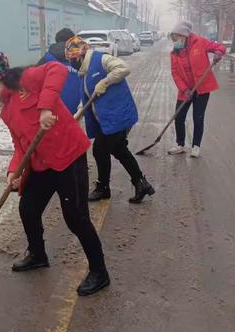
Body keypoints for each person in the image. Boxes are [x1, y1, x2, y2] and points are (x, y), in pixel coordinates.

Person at [0, 51, 110, 296]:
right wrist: (13, 171)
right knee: (28, 207)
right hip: (43, 163)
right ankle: (37, 254)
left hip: (68, 155)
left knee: (76, 217)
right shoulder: (6, 112)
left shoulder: (27, 79)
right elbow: (20, 146)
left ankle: (99, 271)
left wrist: (45, 107)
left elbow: (56, 69)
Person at [64, 36, 155, 204]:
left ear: (81, 54)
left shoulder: (102, 59)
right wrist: (77, 115)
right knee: (119, 150)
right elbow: (85, 100)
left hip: (118, 115)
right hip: (106, 119)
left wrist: (105, 82)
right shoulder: (83, 73)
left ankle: (103, 188)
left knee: (100, 150)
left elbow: (123, 68)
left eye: (74, 59)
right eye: (70, 59)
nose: (72, 63)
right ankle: (141, 183)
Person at [168, 21, 226, 158]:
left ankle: (196, 146)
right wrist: (185, 89)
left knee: (198, 118)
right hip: (186, 91)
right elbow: (175, 73)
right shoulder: (174, 53)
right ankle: (180, 145)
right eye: (173, 39)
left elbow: (220, 46)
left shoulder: (200, 42)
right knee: (179, 117)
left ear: (184, 36)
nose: (175, 42)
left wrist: (219, 52)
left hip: (202, 88)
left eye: (177, 38)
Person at [37, 28, 81, 114]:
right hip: (77, 107)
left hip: (52, 107)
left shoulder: (46, 59)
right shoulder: (80, 57)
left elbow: (35, 82)